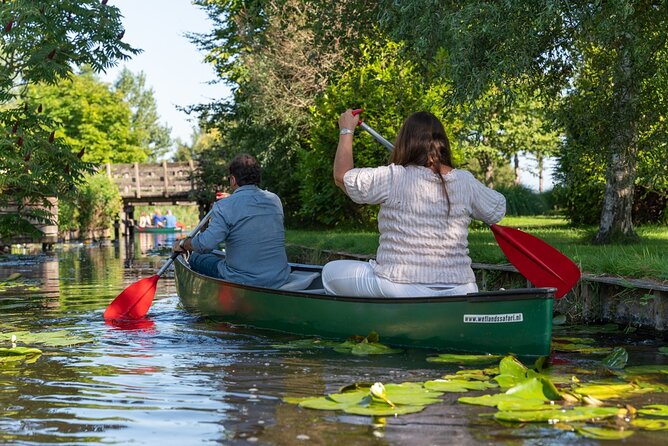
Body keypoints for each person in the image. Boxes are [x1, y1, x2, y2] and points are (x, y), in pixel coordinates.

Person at [322, 109, 506, 297]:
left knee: (329, 272)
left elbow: (341, 176)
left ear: (405, 142)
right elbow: (498, 209)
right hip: (461, 289)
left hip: (401, 287)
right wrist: (464, 187)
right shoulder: (465, 181)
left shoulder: (393, 176)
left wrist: (346, 130)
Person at [172, 154, 290, 288]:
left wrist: (183, 244)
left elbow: (205, 245)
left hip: (242, 279)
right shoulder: (274, 200)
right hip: (279, 277)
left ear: (233, 180)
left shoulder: (224, 206)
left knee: (196, 257)